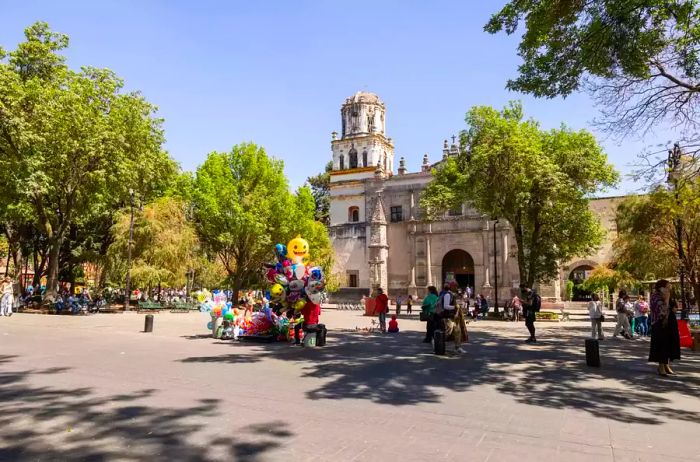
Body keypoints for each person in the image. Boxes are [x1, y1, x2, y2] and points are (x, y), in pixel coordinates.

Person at [649, 280, 681, 375]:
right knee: (662, 344)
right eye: (667, 287)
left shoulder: (668, 295)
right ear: (661, 288)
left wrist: (673, 306)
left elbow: (674, 307)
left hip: (670, 323)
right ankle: (661, 366)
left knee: (670, 343)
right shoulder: (655, 297)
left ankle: (666, 364)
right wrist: (666, 300)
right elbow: (662, 311)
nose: (668, 289)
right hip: (660, 324)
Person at [438, 283, 464, 353]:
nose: (456, 288)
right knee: (448, 332)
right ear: (451, 287)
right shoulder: (447, 295)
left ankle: (457, 347)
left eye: (456, 286)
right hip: (448, 316)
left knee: (458, 332)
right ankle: (438, 344)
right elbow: (446, 306)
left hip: (454, 316)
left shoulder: (454, 295)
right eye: (455, 286)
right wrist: (455, 307)